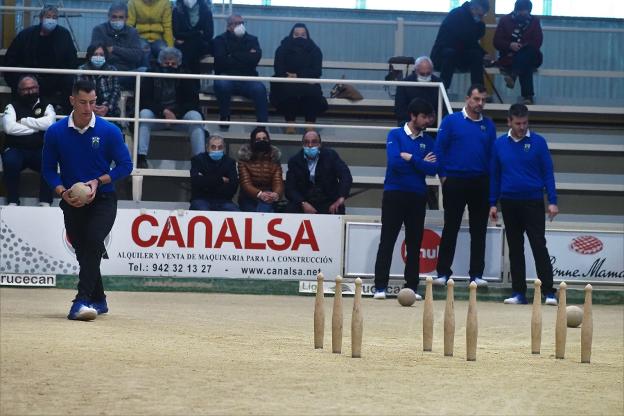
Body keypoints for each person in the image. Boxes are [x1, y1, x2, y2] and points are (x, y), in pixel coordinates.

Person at [41, 79, 133, 321]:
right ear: (72, 100)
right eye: (82, 102)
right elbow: (48, 169)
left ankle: (80, 302)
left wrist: (98, 181)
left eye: (92, 102)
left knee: (93, 241)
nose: (88, 108)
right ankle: (100, 300)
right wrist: (62, 192)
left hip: (103, 198)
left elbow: (126, 165)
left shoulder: (109, 131)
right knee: (84, 251)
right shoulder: (55, 132)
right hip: (71, 200)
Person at [490, 104, 558, 306]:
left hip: (533, 201)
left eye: (525, 123)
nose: (522, 127)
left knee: (538, 245)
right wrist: (492, 203)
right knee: (515, 248)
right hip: (509, 202)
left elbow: (548, 173)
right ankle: (519, 292)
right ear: (509, 121)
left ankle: (549, 292)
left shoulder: (538, 142)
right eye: (518, 123)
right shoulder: (499, 144)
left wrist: (553, 201)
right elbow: (495, 175)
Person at [372, 98, 438, 300]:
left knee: (414, 243)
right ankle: (380, 287)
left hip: (418, 196)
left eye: (429, 117)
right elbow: (395, 163)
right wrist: (420, 163)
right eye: (424, 117)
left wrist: (411, 158)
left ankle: (412, 287)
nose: (428, 121)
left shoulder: (429, 141)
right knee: (387, 240)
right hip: (394, 194)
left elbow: (434, 169)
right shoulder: (395, 134)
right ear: (413, 116)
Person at [433, 84, 496, 287]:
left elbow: (492, 157)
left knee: (479, 231)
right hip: (455, 181)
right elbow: (438, 149)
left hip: (481, 182)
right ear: (468, 98)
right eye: (477, 99)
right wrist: (443, 177)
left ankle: (476, 274)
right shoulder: (451, 121)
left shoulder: (489, 125)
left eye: (483, 100)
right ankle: (443, 272)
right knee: (450, 227)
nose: (480, 103)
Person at [137, 47, 205, 168]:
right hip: (157, 118)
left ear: (178, 63)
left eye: (173, 63)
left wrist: (175, 114)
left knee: (196, 116)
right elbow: (145, 100)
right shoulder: (151, 74)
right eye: (166, 63)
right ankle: (141, 157)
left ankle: (199, 161)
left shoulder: (186, 75)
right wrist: (164, 112)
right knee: (144, 114)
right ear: (160, 62)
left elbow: (193, 102)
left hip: (179, 119)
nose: (169, 65)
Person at [4, 5, 77, 113]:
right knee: (23, 81)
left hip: (55, 76)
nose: (51, 20)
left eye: (54, 17)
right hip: (30, 74)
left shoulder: (64, 35)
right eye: (48, 16)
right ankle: (21, 111)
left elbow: (72, 60)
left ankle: (62, 113)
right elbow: (11, 58)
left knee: (70, 80)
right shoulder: (26, 35)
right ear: (41, 18)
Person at [2, 75, 55, 207]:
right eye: (25, 89)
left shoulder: (47, 105)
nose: (30, 91)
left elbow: (50, 124)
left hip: (39, 149)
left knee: (50, 161)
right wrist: (37, 127)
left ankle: (45, 201)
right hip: (16, 149)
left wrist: (25, 121)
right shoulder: (11, 106)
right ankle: (13, 201)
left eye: (32, 88)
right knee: (10, 161)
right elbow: (9, 128)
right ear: (19, 91)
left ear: (38, 88)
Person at [270, 23, 328, 134]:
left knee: (312, 92)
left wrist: (298, 76)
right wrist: (290, 77)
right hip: (287, 82)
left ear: (307, 36)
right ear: (291, 35)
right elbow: (278, 69)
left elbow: (317, 71)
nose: (300, 37)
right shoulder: (282, 49)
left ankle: (310, 125)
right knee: (288, 91)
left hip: (308, 83)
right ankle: (290, 124)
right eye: (296, 35)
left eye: (303, 35)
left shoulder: (314, 50)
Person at [213, 15, 268, 128]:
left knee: (260, 89)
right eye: (237, 23)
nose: (241, 26)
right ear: (229, 26)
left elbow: (255, 59)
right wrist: (246, 55)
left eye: (242, 23)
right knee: (222, 85)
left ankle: (262, 125)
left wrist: (232, 55)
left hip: (248, 79)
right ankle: (225, 117)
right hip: (227, 77)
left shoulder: (252, 39)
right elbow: (221, 61)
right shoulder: (220, 40)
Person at [285, 130, 352, 214]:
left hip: (328, 200)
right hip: (305, 201)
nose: (310, 145)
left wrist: (341, 198)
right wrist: (303, 203)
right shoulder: (294, 161)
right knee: (291, 207)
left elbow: (345, 176)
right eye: (306, 142)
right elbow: (290, 188)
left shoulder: (331, 155)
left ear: (320, 144)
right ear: (302, 145)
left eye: (314, 142)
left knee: (338, 208)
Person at [430, 0, 489, 89]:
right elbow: (465, 39)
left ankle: (478, 90)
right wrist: (484, 53)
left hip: (459, 54)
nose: (481, 18)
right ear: (473, 8)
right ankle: (442, 92)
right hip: (443, 54)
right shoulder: (457, 14)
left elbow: (474, 37)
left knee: (476, 56)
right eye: (480, 15)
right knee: (451, 54)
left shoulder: (474, 20)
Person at [494, 0, 543, 105]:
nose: (523, 14)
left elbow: (537, 41)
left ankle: (513, 75)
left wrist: (522, 47)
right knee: (526, 64)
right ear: (516, 10)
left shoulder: (534, 21)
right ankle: (528, 96)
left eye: (526, 12)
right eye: (521, 12)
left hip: (530, 54)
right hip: (510, 56)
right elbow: (497, 41)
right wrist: (510, 45)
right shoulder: (505, 20)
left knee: (527, 53)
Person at [90, 1, 144, 76]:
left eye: (121, 17)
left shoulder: (133, 32)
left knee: (144, 71)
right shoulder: (99, 30)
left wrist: (114, 49)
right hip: (105, 72)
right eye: (114, 17)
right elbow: (95, 54)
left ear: (126, 18)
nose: (117, 20)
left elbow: (137, 56)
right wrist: (126, 54)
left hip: (128, 72)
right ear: (109, 16)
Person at [237, 127, 283, 212]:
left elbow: (278, 181)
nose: (262, 141)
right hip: (248, 197)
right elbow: (245, 183)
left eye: (264, 139)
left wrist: (276, 193)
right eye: (258, 139)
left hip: (269, 196)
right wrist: (260, 194)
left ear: (268, 140)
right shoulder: (244, 159)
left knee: (266, 207)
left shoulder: (274, 158)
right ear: (252, 141)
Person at [190, 135, 240, 211]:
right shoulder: (198, 160)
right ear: (207, 147)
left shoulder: (230, 162)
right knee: (203, 210)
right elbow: (196, 182)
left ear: (224, 148)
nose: (216, 150)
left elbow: (233, 187)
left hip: (223, 200)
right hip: (201, 199)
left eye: (220, 147)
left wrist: (206, 179)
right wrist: (221, 179)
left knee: (235, 212)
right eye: (213, 147)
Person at [77, 43, 121, 118]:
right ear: (90, 56)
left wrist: (106, 107)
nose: (98, 57)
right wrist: (91, 107)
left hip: (109, 111)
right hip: (86, 111)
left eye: (101, 55)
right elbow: (79, 92)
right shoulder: (82, 70)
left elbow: (116, 92)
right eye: (95, 54)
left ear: (105, 56)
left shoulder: (112, 70)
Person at [394, 56, 442, 126]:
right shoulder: (404, 84)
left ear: (432, 71)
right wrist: (415, 121)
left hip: (432, 125)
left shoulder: (439, 83)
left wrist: (430, 120)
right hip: (410, 124)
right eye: (422, 74)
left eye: (428, 73)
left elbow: (443, 109)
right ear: (416, 70)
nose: (425, 76)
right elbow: (399, 110)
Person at [127, 0, 174, 67]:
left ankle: (163, 75)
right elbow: (129, 25)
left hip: (159, 39)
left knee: (164, 51)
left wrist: (170, 48)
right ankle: (144, 75)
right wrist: (128, 43)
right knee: (144, 49)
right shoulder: (133, 2)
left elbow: (167, 27)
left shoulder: (165, 2)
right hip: (140, 37)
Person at [173, 0, 214, 75]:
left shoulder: (206, 11)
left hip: (200, 45)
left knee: (192, 46)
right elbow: (177, 33)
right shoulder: (177, 10)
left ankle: (185, 78)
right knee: (190, 48)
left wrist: (187, 36)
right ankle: (194, 82)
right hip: (184, 45)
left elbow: (209, 35)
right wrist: (198, 33)